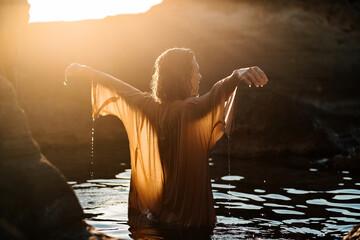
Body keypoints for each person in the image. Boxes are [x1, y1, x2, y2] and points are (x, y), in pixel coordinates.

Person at [65, 48, 269, 228]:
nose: (199, 75)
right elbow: (217, 94)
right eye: (195, 71)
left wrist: (87, 71)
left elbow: (121, 88)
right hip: (191, 221)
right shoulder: (189, 109)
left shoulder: (148, 105)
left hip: (156, 217)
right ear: (182, 75)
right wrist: (236, 75)